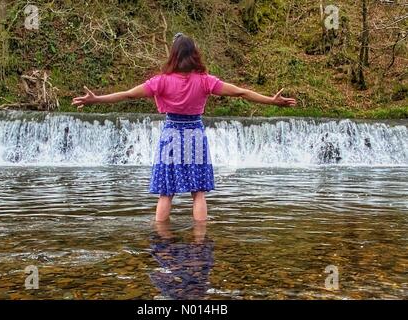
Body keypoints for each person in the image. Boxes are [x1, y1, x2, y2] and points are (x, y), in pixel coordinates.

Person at [72, 33, 297, 222]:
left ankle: (162, 239)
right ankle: (200, 241)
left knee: (166, 192)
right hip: (195, 135)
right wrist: (271, 100)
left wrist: (96, 99)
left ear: (174, 55)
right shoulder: (206, 80)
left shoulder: (160, 81)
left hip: (171, 134)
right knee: (198, 192)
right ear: (194, 54)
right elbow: (241, 92)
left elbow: (128, 94)